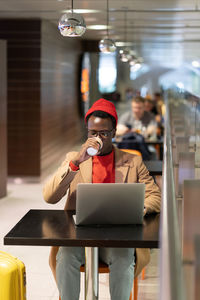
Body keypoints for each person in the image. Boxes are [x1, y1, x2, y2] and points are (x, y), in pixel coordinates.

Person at [43, 98, 161, 300]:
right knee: (65, 257)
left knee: (124, 258)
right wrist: (76, 163)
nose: (98, 138)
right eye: (93, 133)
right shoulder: (74, 158)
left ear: (114, 132)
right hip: (79, 236)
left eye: (104, 133)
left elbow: (155, 197)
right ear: (87, 132)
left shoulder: (132, 161)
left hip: (118, 237)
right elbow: (49, 196)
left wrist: (139, 208)